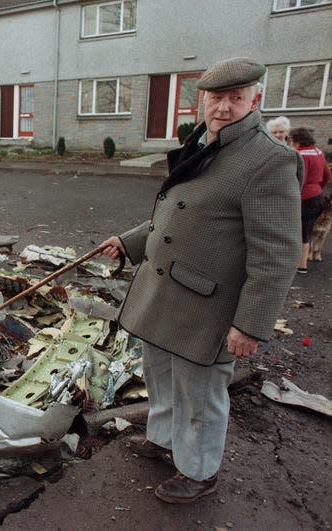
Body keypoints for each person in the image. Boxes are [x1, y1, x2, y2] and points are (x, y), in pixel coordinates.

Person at [99, 57, 302, 504]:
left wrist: (250, 325)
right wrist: (130, 241)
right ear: (203, 100)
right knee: (162, 376)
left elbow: (278, 255)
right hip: (165, 291)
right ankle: (164, 440)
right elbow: (179, 212)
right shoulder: (203, 141)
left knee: (200, 393)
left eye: (236, 98)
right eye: (216, 97)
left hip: (208, 306)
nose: (224, 108)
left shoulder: (269, 160)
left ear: (256, 100)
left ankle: (199, 470)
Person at [289, 127, 331, 273]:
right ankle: (303, 264)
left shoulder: (299, 155)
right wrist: (318, 188)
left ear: (298, 141)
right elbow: (326, 175)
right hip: (317, 195)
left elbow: (297, 179)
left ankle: (299, 264)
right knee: (307, 230)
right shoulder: (319, 152)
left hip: (303, 196)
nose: (290, 143)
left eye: (291, 140)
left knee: (297, 230)